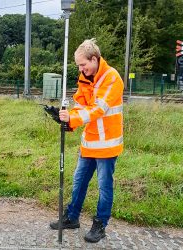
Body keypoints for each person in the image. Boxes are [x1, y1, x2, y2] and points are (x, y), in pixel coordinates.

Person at [49, 38, 124, 243]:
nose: (81, 69)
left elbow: (100, 109)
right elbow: (81, 107)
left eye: (83, 64)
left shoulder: (112, 78)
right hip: (89, 143)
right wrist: (66, 120)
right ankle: (72, 217)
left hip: (107, 146)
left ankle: (100, 225)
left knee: (104, 187)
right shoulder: (85, 78)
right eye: (78, 66)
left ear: (94, 59)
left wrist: (73, 118)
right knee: (79, 181)